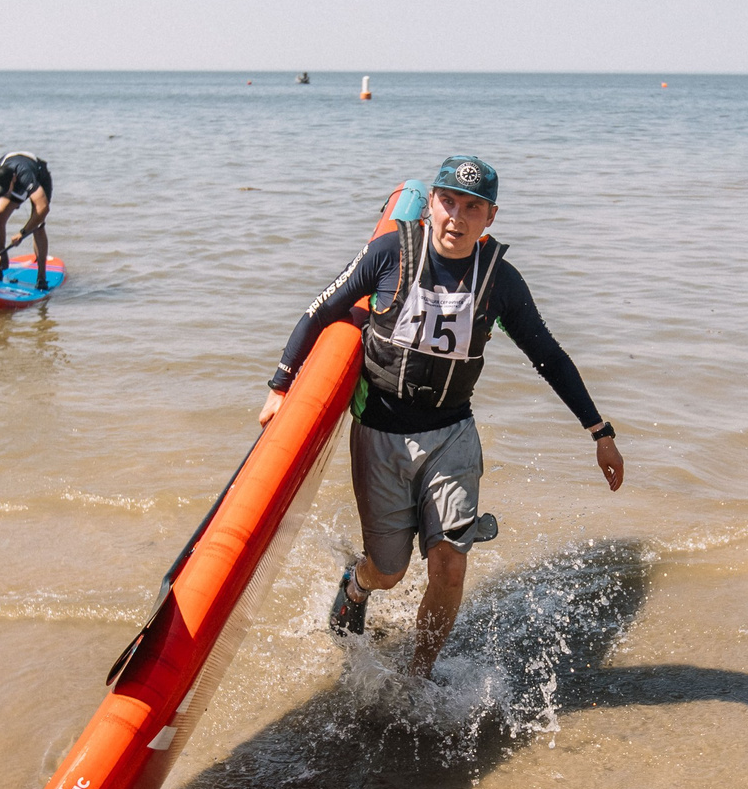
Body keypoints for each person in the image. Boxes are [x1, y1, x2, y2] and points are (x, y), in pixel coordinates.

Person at [261, 156, 622, 676]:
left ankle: (417, 675)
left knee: (449, 566)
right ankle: (357, 584)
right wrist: (280, 385)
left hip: (452, 433)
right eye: (447, 202)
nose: (457, 217)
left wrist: (599, 432)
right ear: (431, 203)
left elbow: (548, 355)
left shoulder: (500, 280)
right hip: (380, 431)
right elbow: (321, 310)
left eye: (472, 208)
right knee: (389, 570)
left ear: (490, 218)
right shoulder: (390, 253)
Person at [0, 151, 53, 290]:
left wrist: (22, 233)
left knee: (38, 226)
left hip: (38, 175)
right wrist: (1, 251)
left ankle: (41, 278)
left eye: (4, 190)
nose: (1, 194)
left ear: (14, 179)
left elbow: (43, 208)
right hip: (13, 179)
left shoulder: (24, 175)